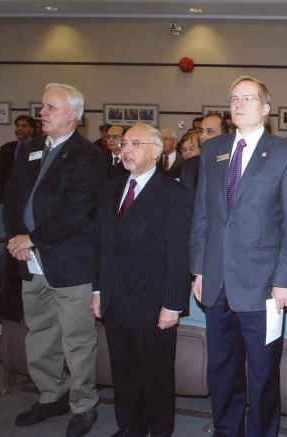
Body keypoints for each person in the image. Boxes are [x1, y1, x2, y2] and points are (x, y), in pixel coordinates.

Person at [190, 75, 287, 437]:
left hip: (263, 288)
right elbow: (203, 215)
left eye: (248, 98)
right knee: (222, 372)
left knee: (261, 376)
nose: (238, 104)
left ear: (266, 108)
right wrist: (198, 269)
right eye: (234, 98)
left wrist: (284, 281)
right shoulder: (213, 150)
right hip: (216, 282)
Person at [3, 83, 106, 437]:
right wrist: (18, 240)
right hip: (30, 260)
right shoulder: (30, 149)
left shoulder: (89, 156)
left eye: (50, 107)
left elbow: (76, 210)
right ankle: (52, 394)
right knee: (40, 334)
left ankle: (83, 404)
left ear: (73, 115)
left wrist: (32, 238)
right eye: (42, 106)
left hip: (69, 262)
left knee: (76, 340)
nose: (41, 112)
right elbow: (13, 199)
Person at [91, 123, 191, 437]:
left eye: (135, 143)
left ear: (156, 151)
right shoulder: (111, 187)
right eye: (124, 143)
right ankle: (131, 426)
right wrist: (98, 290)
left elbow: (179, 253)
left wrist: (173, 305)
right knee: (124, 371)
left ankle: (160, 430)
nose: (126, 149)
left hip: (153, 302)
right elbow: (102, 243)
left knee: (156, 376)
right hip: (115, 299)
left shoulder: (172, 193)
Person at [0, 114, 35, 203]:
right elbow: (2, 176)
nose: (19, 128)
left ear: (32, 129)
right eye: (17, 126)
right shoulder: (6, 148)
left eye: (24, 126)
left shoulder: (40, 147)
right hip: (10, 196)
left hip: (30, 195)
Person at [178, 131, 202, 200]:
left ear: (201, 149)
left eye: (192, 148)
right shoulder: (178, 168)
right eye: (184, 149)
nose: (187, 153)